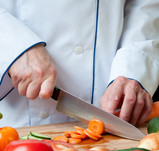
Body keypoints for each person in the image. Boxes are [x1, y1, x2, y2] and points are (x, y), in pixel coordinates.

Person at [0, 0, 159, 128]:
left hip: (108, 97)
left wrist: (135, 65)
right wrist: (13, 45)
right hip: (15, 119)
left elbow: (145, 5)